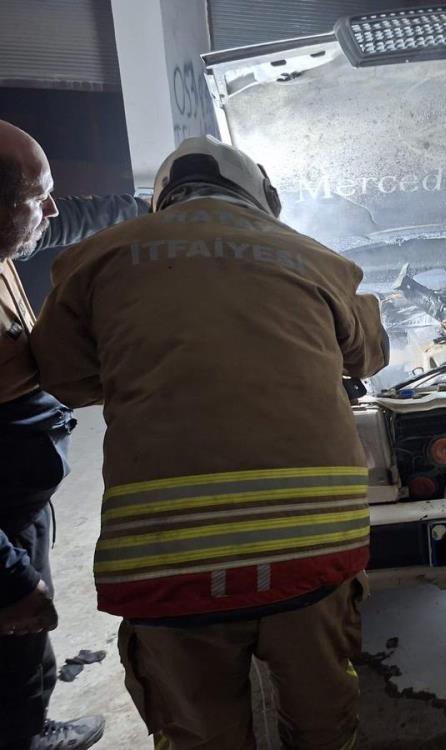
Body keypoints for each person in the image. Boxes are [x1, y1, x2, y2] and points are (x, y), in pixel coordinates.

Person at [30, 135, 389, 750]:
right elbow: (370, 356)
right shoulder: (316, 256)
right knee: (324, 714)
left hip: (167, 562)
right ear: (262, 197)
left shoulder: (97, 256)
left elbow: (63, 376)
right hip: (313, 550)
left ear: (160, 198)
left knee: (198, 731)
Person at [1, 119, 147, 750]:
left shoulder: (6, 238)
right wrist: (6, 578)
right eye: (38, 195)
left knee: (26, 640)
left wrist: (153, 209)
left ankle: (29, 724)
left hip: (18, 491)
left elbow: (67, 221)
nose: (52, 208)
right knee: (16, 623)